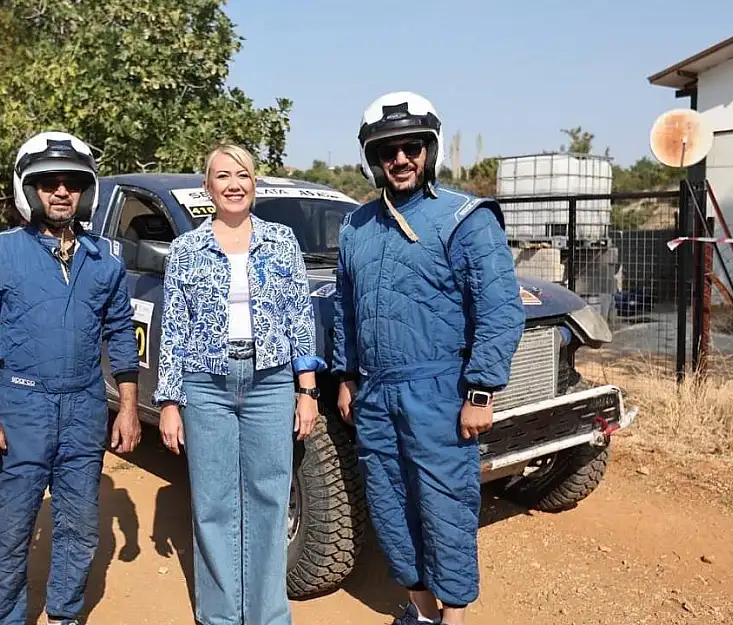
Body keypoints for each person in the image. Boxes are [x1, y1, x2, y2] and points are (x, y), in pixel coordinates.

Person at [332, 92, 525, 625]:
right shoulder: (357, 227)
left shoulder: (465, 218)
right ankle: (418, 611)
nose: (401, 159)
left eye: (411, 147)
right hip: (375, 393)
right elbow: (347, 309)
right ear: (373, 159)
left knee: (444, 505)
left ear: (429, 149)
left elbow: (499, 308)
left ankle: (454, 618)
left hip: (438, 391)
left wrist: (481, 390)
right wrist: (348, 376)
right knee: (390, 503)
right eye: (388, 150)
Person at [0, 131, 142, 625]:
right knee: (11, 532)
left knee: (80, 529)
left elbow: (120, 333)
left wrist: (126, 407)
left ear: (87, 190)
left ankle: (64, 614)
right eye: (47, 183)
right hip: (20, 410)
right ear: (27, 189)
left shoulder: (107, 257)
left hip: (84, 410)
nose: (61, 192)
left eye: (72, 183)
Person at [154, 144, 324, 625]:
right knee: (213, 503)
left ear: (255, 183)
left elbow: (299, 318)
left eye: (243, 175)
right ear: (207, 187)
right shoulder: (186, 249)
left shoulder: (281, 240)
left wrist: (306, 389)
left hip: (270, 383)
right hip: (205, 384)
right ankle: (221, 616)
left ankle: (269, 615)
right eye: (223, 176)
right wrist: (170, 401)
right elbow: (175, 328)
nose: (233, 184)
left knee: (270, 499)